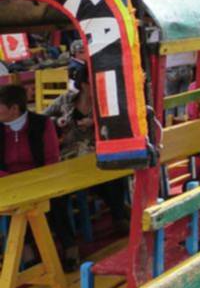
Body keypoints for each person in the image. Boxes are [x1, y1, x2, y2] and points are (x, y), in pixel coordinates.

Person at [43, 72, 131, 234]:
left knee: (114, 175)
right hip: (69, 156)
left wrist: (95, 124)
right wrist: (57, 122)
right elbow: (42, 118)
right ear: (83, 84)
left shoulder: (104, 102)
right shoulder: (66, 100)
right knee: (56, 191)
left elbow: (118, 124)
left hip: (95, 153)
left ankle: (118, 216)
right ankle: (68, 238)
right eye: (94, 82)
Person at [0, 85, 70, 265]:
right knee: (19, 204)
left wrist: (37, 181)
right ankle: (25, 250)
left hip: (41, 178)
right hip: (9, 181)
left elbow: (51, 158)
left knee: (56, 200)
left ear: (14, 108)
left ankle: (68, 246)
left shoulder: (42, 124)